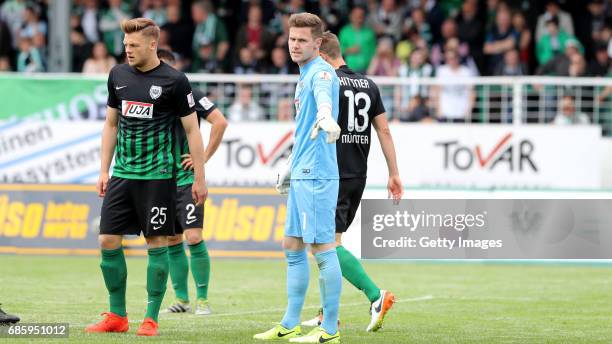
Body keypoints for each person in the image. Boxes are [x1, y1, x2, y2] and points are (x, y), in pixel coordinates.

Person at [85, 18, 207, 337]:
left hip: (158, 177)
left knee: (157, 243)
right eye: (125, 45)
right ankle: (117, 315)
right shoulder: (118, 75)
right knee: (107, 241)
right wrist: (103, 169)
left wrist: (200, 176)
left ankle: (151, 317)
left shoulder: (175, 80)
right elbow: (111, 124)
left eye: (134, 45)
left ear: (152, 45)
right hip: (123, 174)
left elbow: (193, 130)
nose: (128, 50)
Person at [299, 30, 403, 333]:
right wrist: (394, 172)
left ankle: (375, 296)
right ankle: (326, 314)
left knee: (322, 246)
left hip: (331, 171)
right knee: (333, 242)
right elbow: (384, 131)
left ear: (321, 54)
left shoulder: (326, 81)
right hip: (358, 172)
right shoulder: (368, 84)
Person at [254, 12, 342, 343]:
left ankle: (330, 330)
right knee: (291, 245)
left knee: (322, 248)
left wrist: (325, 114)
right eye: (292, 39)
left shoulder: (320, 73)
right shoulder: (304, 74)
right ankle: (290, 322)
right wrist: (291, 163)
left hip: (317, 174)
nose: (295, 45)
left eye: (302, 40)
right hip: (304, 170)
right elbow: (306, 128)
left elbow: (323, 101)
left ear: (318, 43)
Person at [156, 49, 228, 316]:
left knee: (194, 236)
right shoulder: (148, 95)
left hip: (187, 179)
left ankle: (203, 300)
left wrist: (202, 159)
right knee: (172, 240)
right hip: (161, 178)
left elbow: (220, 122)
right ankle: (182, 300)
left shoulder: (190, 94)